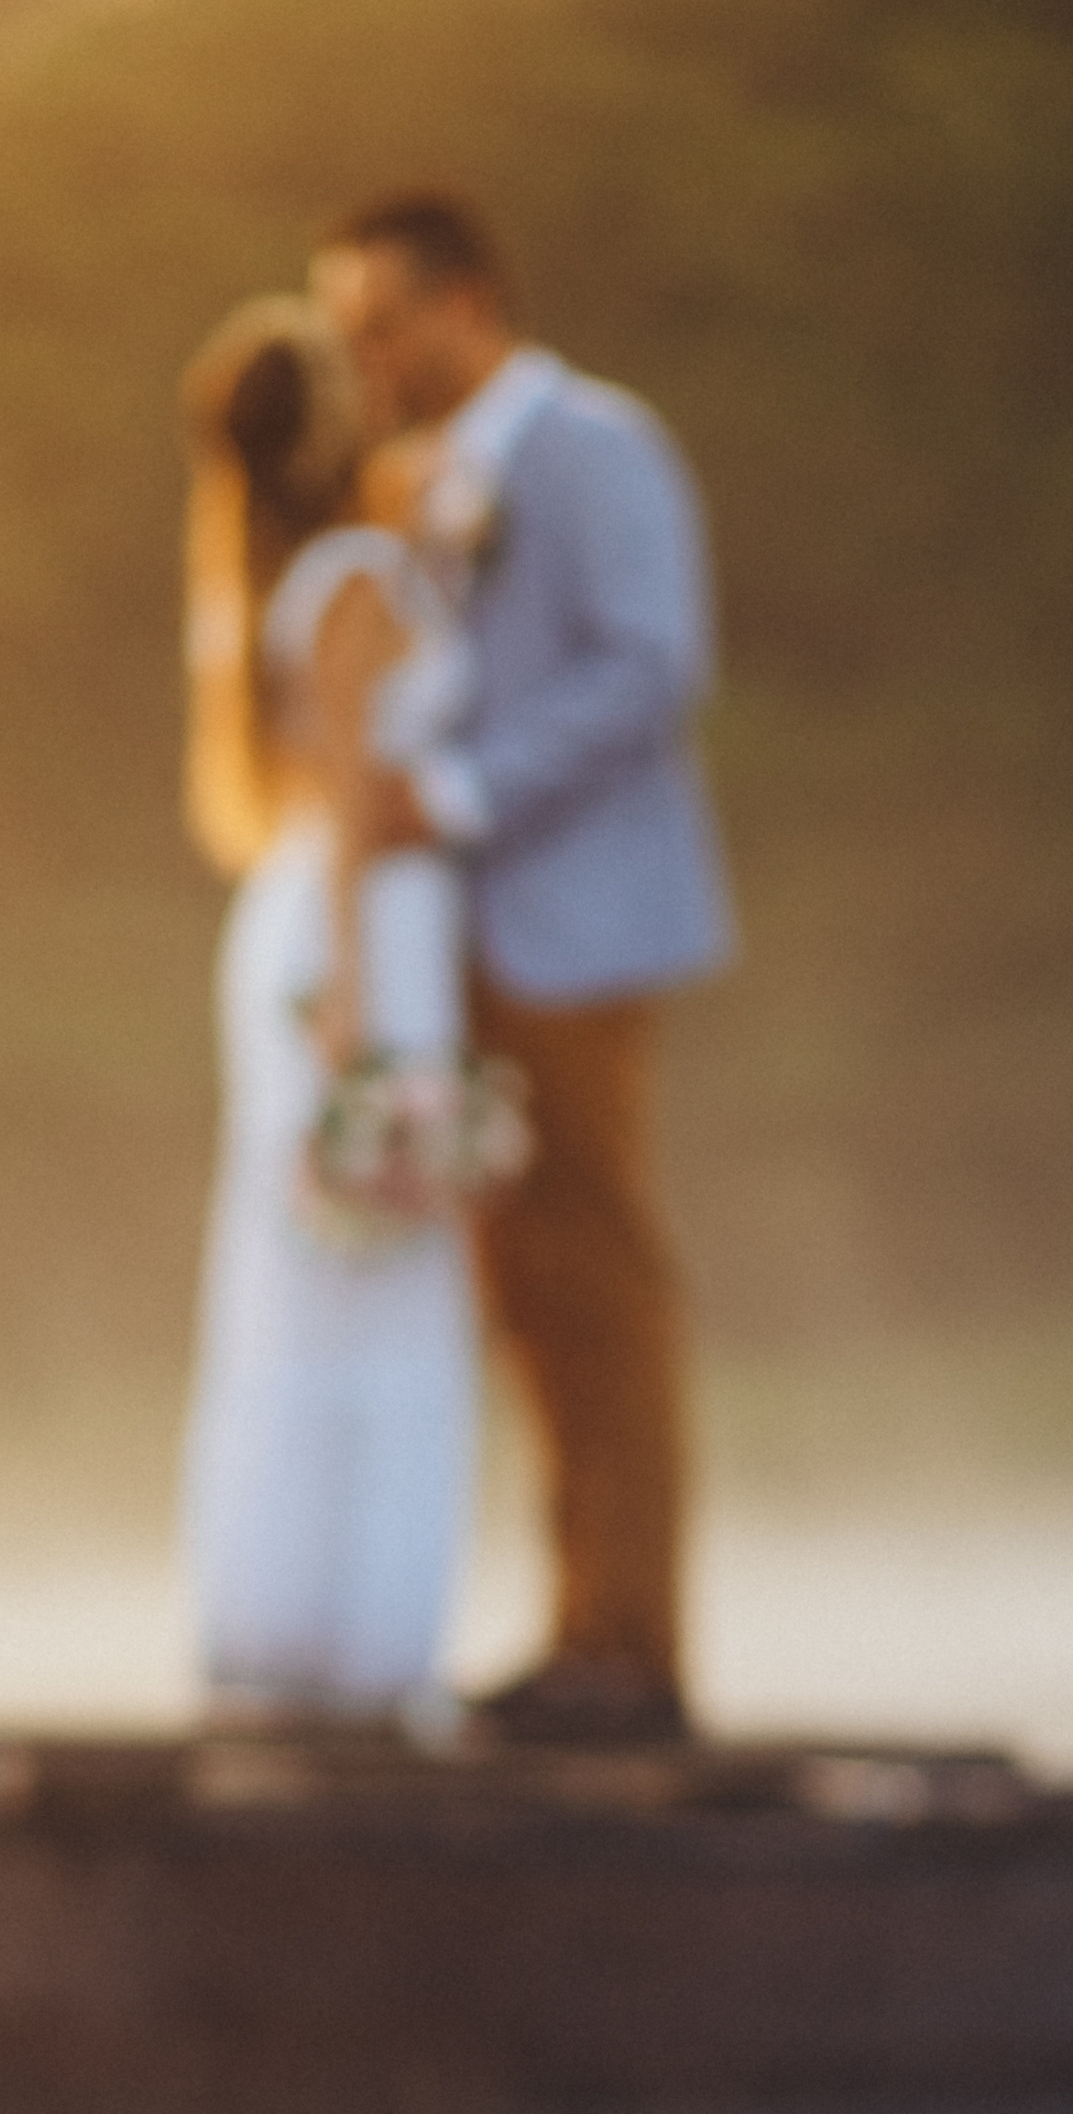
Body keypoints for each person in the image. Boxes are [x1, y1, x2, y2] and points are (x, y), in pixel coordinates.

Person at [314, 193, 734, 1749]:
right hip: (478, 948)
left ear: (467, 303)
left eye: (381, 325)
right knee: (530, 1286)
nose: (365, 359)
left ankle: (635, 1644)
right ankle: (581, 1631)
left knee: (602, 1280)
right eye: (346, 335)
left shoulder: (595, 445)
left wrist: (464, 795)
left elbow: (650, 662)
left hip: (581, 928)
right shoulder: (432, 480)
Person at [176, 298, 486, 1727]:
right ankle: (364, 1648)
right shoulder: (358, 576)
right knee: (379, 1273)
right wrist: (360, 1009)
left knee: (297, 1276)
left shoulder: (264, 567)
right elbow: (366, 799)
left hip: (296, 917)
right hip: (359, 936)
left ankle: (274, 1624)